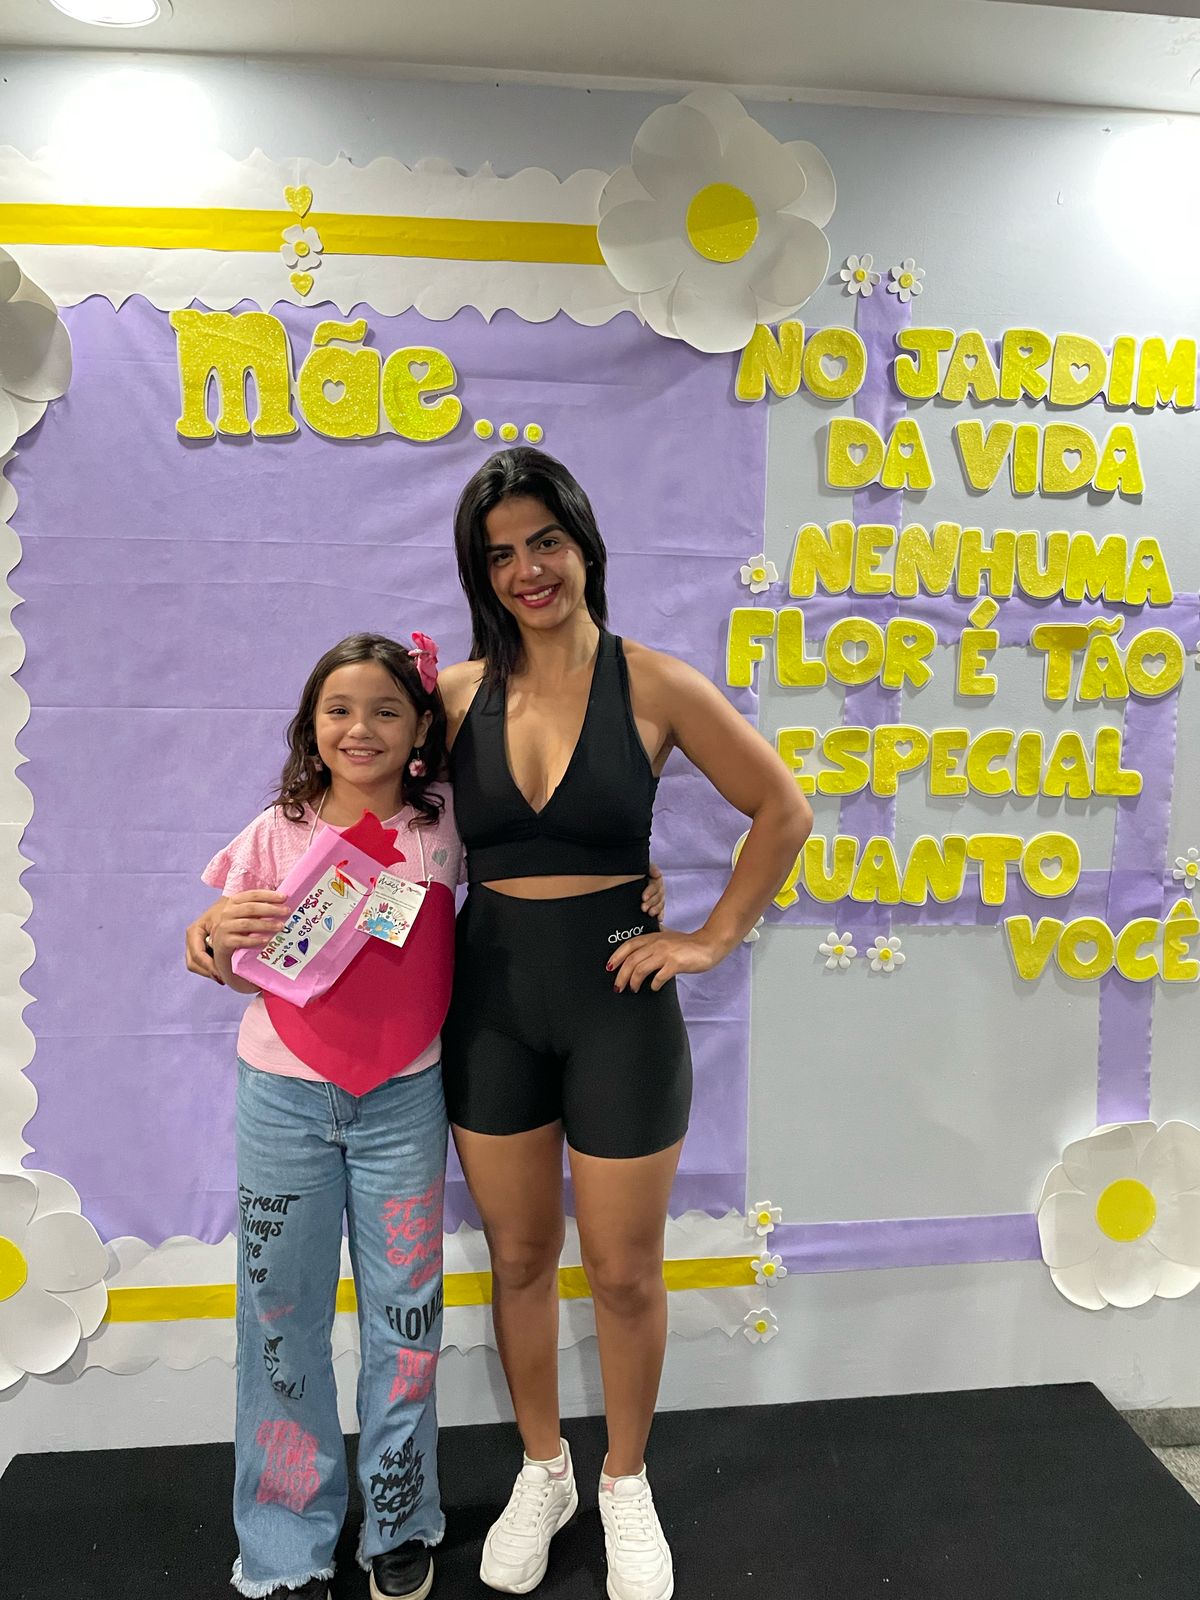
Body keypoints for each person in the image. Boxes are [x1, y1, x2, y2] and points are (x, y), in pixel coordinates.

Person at [438, 448, 813, 1600]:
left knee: (623, 1269)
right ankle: (543, 1468)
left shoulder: (655, 683)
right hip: (490, 1012)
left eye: (544, 541)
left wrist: (708, 936)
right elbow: (354, 808)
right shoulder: (451, 695)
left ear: (584, 543)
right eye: (500, 553)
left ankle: (626, 1479)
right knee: (517, 1258)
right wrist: (244, 912)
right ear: (480, 572)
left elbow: (783, 810)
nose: (527, 569)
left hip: (619, 1013)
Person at [202, 632, 460, 1600]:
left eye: (387, 710)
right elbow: (231, 958)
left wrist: (636, 881)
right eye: (339, 709)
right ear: (311, 723)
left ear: (421, 727)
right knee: (281, 1316)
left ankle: (400, 1516)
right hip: (283, 1101)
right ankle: (283, 1537)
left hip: (405, 1101)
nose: (361, 728)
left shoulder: (449, 827)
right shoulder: (276, 831)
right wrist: (209, 936)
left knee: (407, 1316)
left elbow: (530, 887)